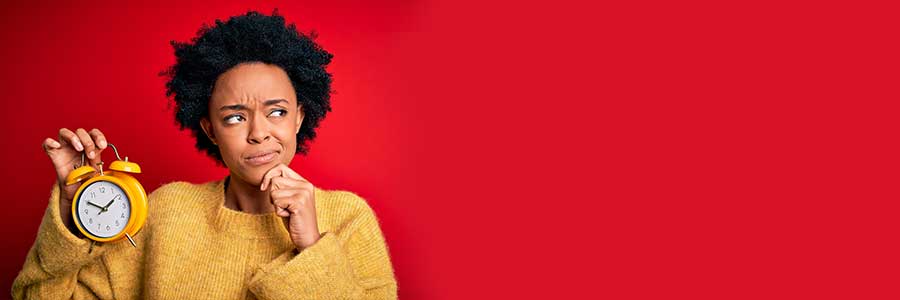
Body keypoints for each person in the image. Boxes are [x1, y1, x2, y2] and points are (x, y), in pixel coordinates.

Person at [12, 10, 397, 299]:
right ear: (210, 130)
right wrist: (71, 206)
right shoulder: (166, 212)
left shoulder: (349, 219)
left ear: (299, 118)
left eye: (277, 112)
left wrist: (311, 245)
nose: (259, 132)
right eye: (234, 117)